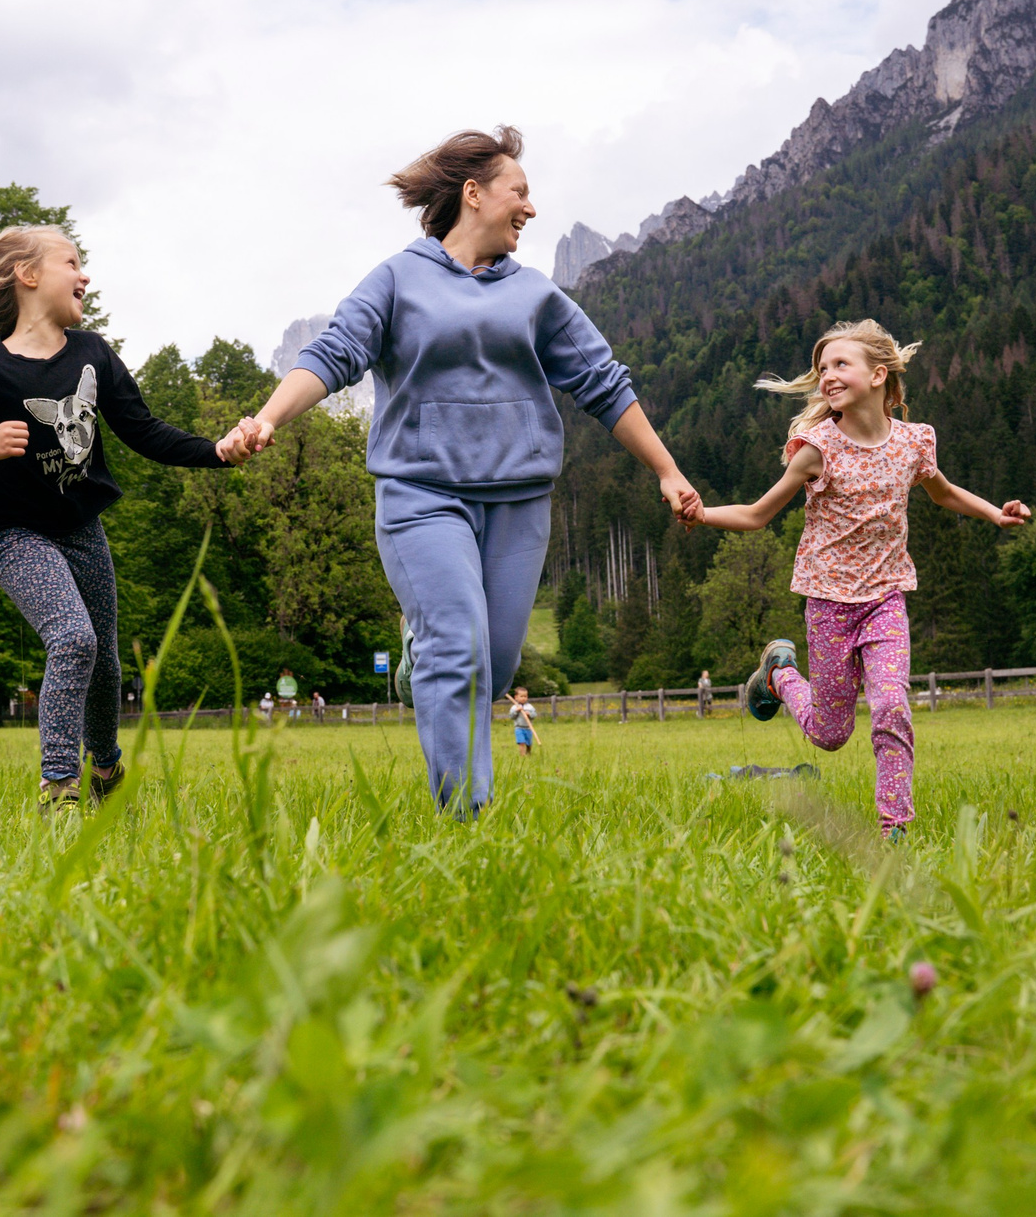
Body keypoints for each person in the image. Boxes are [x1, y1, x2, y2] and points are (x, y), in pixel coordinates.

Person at [235, 125, 699, 814]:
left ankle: (426, 658)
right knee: (460, 646)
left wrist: (666, 469)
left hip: (517, 500)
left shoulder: (536, 297)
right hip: (420, 494)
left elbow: (603, 382)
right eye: (521, 192)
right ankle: (464, 819)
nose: (531, 209)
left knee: (496, 663)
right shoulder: (398, 278)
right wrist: (269, 418)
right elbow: (334, 353)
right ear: (474, 194)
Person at [0, 225, 251, 815]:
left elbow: (144, 431)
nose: (85, 275)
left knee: (106, 664)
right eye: (73, 262)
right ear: (28, 275)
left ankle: (107, 767)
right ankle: (59, 786)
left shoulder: (91, 354)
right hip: (16, 535)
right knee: (73, 638)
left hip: (82, 531)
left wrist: (215, 450)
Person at [689, 319, 1028, 840]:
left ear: (878, 375)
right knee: (830, 735)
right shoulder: (817, 449)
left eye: (840, 364)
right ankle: (779, 675)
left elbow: (943, 492)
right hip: (828, 604)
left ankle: (896, 828)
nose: (827, 375)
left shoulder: (914, 443)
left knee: (891, 705)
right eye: (821, 368)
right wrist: (701, 514)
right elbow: (758, 515)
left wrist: (994, 514)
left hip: (886, 599)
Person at [508, 686, 539, 756]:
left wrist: (530, 714)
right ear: (516, 697)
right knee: (521, 742)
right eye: (521, 696)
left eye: (525, 696)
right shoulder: (514, 707)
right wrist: (516, 711)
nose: (523, 698)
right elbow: (511, 716)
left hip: (528, 728)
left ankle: (528, 753)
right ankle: (522, 756)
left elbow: (534, 715)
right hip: (519, 728)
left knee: (528, 743)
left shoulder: (530, 707)